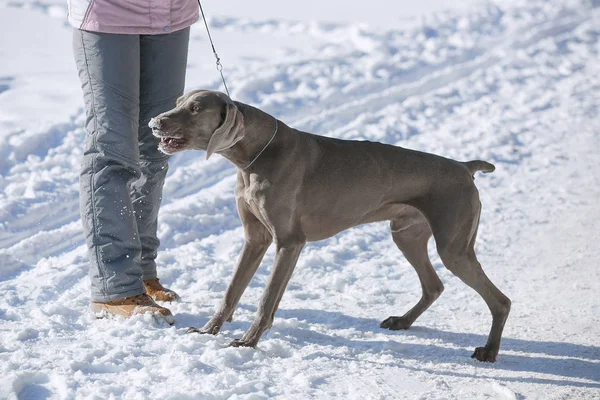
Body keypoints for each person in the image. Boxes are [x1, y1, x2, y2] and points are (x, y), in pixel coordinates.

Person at [69, 0, 199, 323]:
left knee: (158, 143)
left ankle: (139, 270)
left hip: (172, 12)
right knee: (111, 147)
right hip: (108, 12)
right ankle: (115, 286)